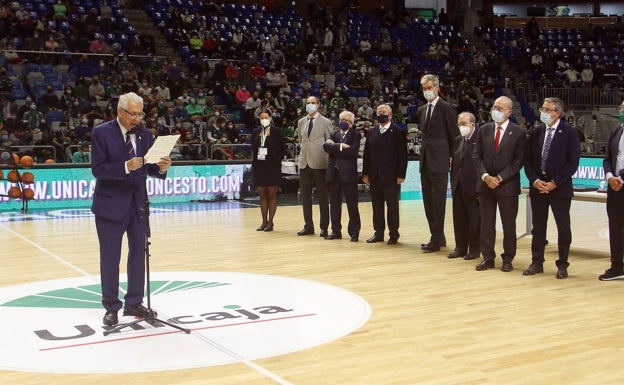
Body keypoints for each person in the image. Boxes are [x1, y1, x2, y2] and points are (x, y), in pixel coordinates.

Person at [91, 92, 172, 326]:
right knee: (110, 258)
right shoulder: (101, 133)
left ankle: (134, 302)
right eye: (133, 114)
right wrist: (125, 166)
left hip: (138, 206)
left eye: (140, 113)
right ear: (120, 111)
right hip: (110, 206)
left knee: (138, 254)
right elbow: (98, 170)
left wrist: (163, 168)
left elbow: (152, 169)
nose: (137, 118)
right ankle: (111, 307)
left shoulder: (146, 135)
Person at [523, 97, 581, 279]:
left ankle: (562, 264)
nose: (544, 112)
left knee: (563, 227)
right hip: (538, 188)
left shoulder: (570, 133)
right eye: (543, 108)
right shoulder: (536, 132)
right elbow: (528, 161)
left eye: (548, 110)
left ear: (558, 113)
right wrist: (534, 181)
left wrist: (555, 182)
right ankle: (537, 261)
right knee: (538, 227)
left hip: (560, 188)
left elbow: (573, 163)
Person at [472, 96, 526, 272]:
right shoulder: (484, 129)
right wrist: (486, 176)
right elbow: (476, 156)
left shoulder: (518, 132)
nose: (496, 110)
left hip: (507, 186)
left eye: (500, 108)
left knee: (508, 224)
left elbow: (518, 161)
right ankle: (487, 257)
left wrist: (500, 178)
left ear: (509, 112)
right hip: (486, 185)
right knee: (486, 223)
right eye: (494, 107)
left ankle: (508, 258)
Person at [418, 74, 459, 252]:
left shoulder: (446, 108)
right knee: (428, 201)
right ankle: (438, 236)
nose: (427, 91)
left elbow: (455, 136)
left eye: (429, 88)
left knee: (438, 201)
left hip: (441, 161)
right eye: (424, 89)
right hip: (425, 160)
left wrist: (453, 158)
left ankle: (435, 239)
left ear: (437, 87)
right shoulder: (421, 110)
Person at [362, 104, 408, 245]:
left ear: (390, 115)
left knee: (392, 207)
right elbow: (366, 155)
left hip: (392, 176)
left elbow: (403, 155)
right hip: (374, 176)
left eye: (384, 112)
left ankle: (394, 234)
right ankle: (379, 233)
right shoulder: (371, 132)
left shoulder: (398, 132)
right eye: (379, 112)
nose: (381, 114)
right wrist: (365, 173)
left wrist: (401, 175)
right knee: (377, 206)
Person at [295, 96, 332, 238]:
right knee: (305, 197)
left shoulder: (326, 122)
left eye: (313, 103)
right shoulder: (301, 121)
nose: (310, 105)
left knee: (322, 196)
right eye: (308, 103)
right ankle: (308, 226)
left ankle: (324, 227)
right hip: (304, 162)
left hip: (320, 162)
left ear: (318, 105)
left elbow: (330, 141)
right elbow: (301, 140)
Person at [322, 110, 361, 242]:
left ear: (351, 123)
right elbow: (326, 147)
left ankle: (354, 232)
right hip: (334, 174)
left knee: (352, 204)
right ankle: (335, 230)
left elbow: (352, 152)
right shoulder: (334, 133)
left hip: (348, 175)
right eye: (341, 119)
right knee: (334, 204)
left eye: (346, 120)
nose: (343, 122)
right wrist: (340, 146)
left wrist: (335, 147)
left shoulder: (356, 135)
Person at [448, 111, 481, 260]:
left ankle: (474, 249)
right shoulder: (458, 140)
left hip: (474, 186)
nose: (461, 126)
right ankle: (460, 247)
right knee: (459, 219)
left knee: (475, 220)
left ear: (472, 124)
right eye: (459, 124)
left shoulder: (480, 139)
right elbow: (454, 163)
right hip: (458, 185)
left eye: (464, 124)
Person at [599, 100, 624, 281]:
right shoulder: (617, 130)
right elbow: (607, 158)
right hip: (614, 187)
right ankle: (616, 266)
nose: (621, 110)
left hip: (620, 181)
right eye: (621, 107)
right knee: (615, 227)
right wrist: (610, 177)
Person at [251, 110, 286, 232]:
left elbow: (283, 148)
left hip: (272, 166)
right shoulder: (256, 132)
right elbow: (253, 148)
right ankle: (263, 221)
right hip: (259, 166)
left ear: (270, 118)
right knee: (262, 194)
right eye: (262, 117)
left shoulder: (277, 132)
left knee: (272, 194)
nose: (264, 119)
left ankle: (271, 222)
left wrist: (275, 159)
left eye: (266, 117)